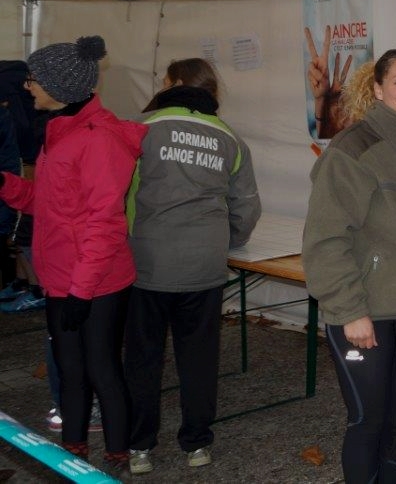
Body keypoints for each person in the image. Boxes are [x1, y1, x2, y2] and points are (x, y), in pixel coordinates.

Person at [0, 35, 145, 473]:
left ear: (60, 87)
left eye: (34, 80)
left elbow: (105, 222)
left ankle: (116, 458)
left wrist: (81, 293)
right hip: (62, 277)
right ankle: (73, 453)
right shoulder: (59, 132)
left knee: (101, 369)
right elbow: (48, 202)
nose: (28, 87)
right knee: (69, 370)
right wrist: (6, 185)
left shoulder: (98, 140)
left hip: (95, 281)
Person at [303, 48, 396, 484]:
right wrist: (349, 310)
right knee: (369, 420)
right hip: (363, 313)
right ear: (379, 88)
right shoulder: (354, 148)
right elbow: (326, 239)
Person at [124, 58, 262, 475]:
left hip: (148, 261)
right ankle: (197, 443)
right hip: (204, 263)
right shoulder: (229, 137)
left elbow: (118, 191)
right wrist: (228, 241)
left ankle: (140, 446)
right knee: (199, 358)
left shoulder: (140, 128)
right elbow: (247, 206)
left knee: (143, 358)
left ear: (173, 84)